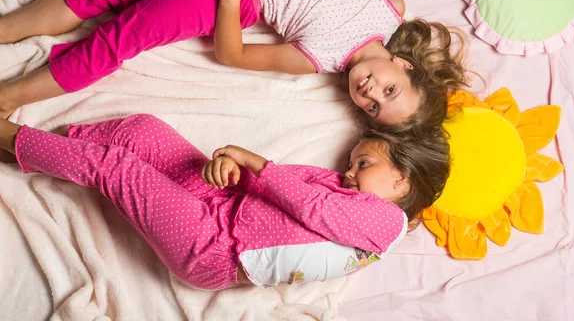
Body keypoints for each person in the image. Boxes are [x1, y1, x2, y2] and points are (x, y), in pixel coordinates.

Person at [0, 0, 467, 127]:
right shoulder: (389, 8)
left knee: (121, 35)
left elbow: (234, 54)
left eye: (370, 108)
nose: (368, 93)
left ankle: (9, 97)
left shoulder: (319, 60)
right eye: (388, 91)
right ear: (403, 64)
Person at [0, 113, 449, 289]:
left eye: (363, 164)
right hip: (222, 199)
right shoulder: (347, 188)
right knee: (142, 132)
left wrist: (252, 159)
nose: (349, 172)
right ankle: (43, 149)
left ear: (401, 181)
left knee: (119, 169)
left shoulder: (386, 223)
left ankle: (10, 137)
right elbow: (277, 191)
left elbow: (312, 209)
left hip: (213, 247)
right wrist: (231, 170)